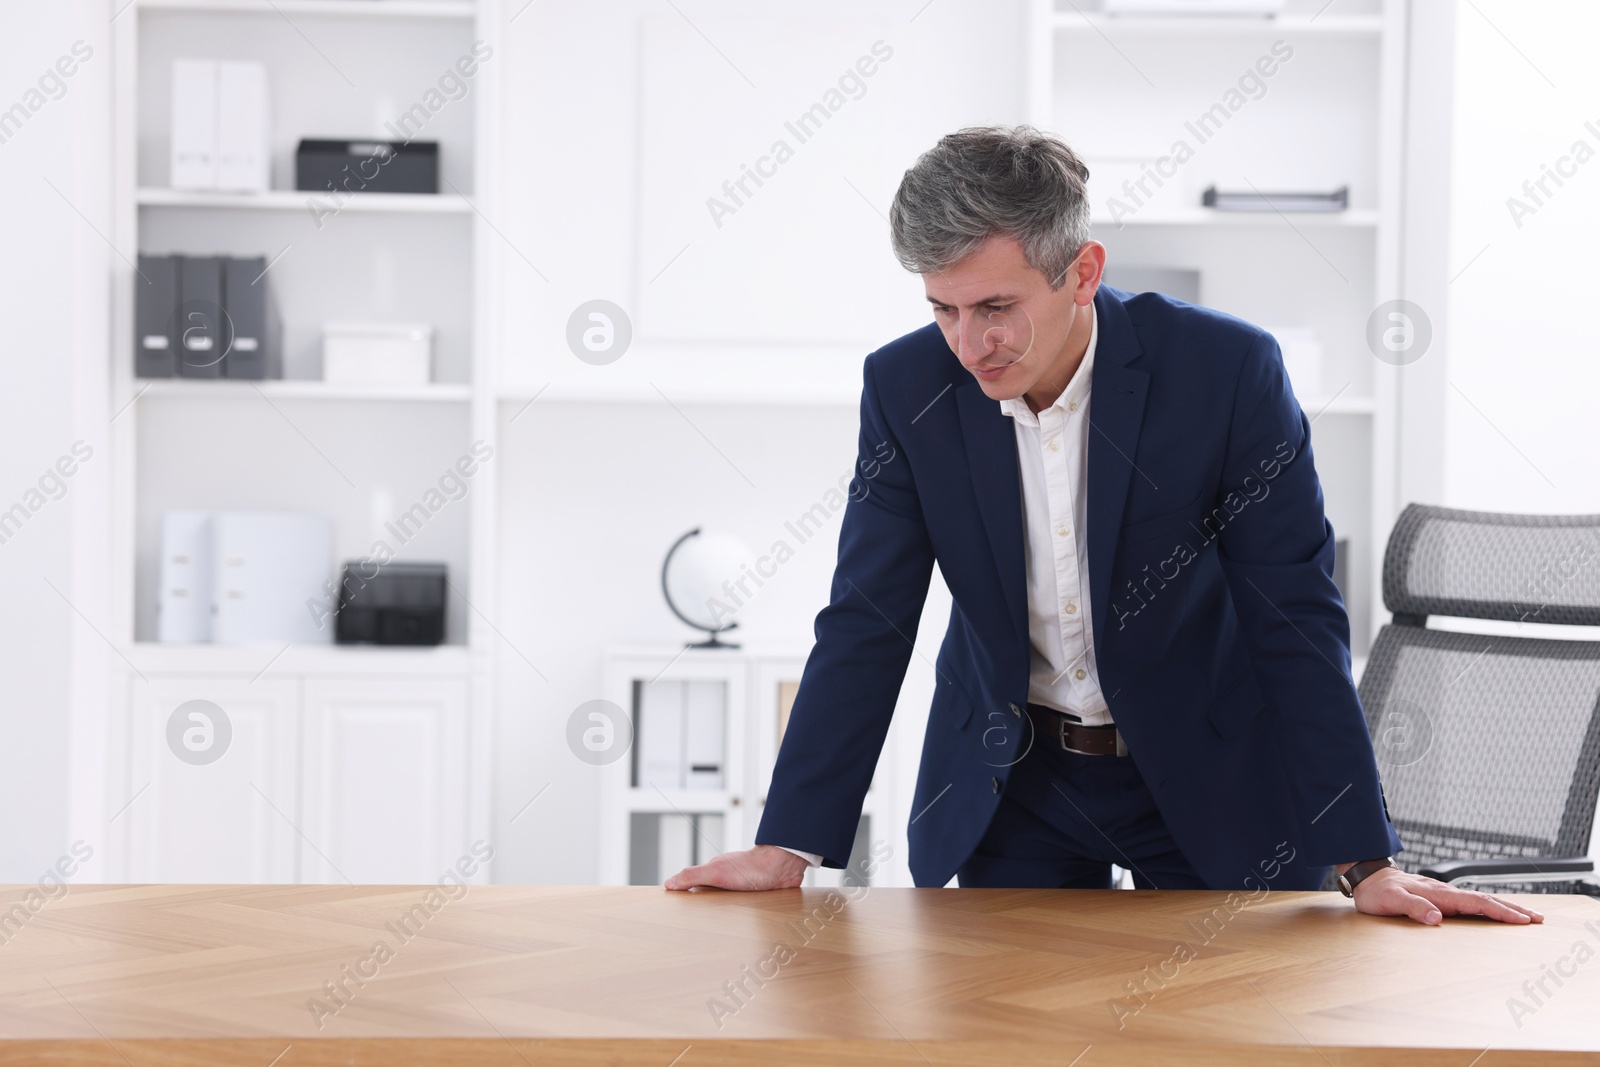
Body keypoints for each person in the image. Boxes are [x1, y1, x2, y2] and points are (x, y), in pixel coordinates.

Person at [666, 126, 1541, 926]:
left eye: (996, 307)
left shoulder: (1226, 373)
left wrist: (1364, 854)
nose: (969, 346)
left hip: (1207, 766)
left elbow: (1294, 616)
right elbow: (867, 620)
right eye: (943, 309)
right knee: (1015, 1035)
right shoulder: (907, 391)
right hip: (1017, 780)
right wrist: (792, 842)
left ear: (1083, 272)